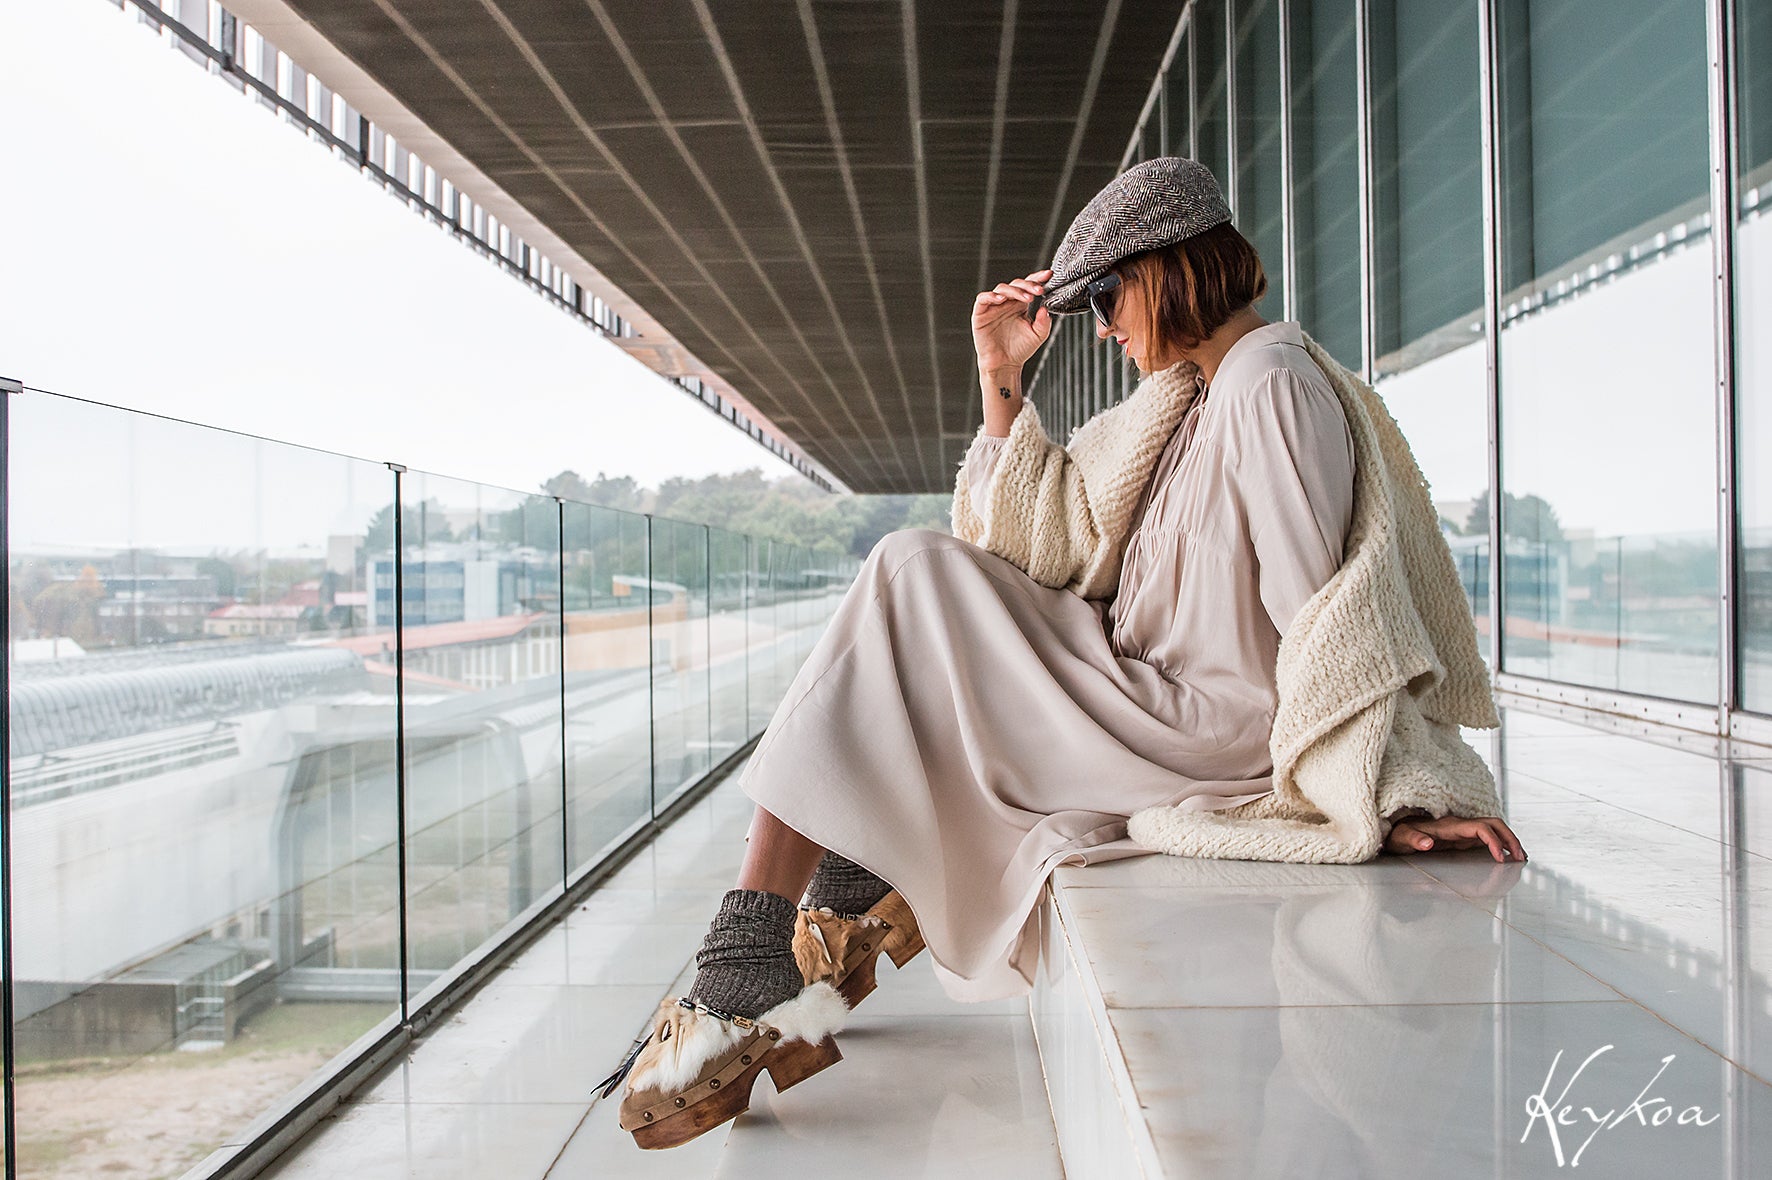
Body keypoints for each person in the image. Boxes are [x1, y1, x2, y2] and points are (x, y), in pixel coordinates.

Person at [604, 157, 1526, 1149]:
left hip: (1206, 724)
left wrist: (1385, 792)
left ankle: (769, 941)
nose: (1100, 322)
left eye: (1105, 292)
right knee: (912, 568)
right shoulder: (1190, 398)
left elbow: (1325, 617)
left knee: (911, 572)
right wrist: (1002, 378)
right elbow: (1042, 536)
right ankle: (827, 893)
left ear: (1168, 268)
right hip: (1134, 684)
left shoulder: (1268, 380)